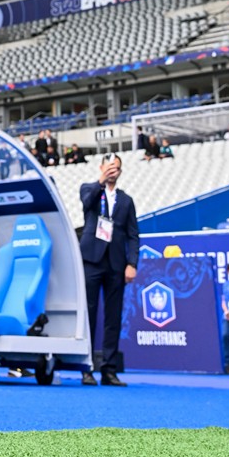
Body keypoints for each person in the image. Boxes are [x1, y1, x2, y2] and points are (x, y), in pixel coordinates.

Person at [79, 155, 139, 388]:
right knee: (89, 314)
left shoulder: (126, 200)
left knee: (113, 317)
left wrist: (132, 263)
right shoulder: (90, 189)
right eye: (110, 167)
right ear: (102, 168)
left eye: (117, 168)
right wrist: (101, 181)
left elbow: (133, 235)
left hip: (116, 263)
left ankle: (109, 370)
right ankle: (86, 368)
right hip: (92, 260)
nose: (113, 171)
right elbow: (87, 203)